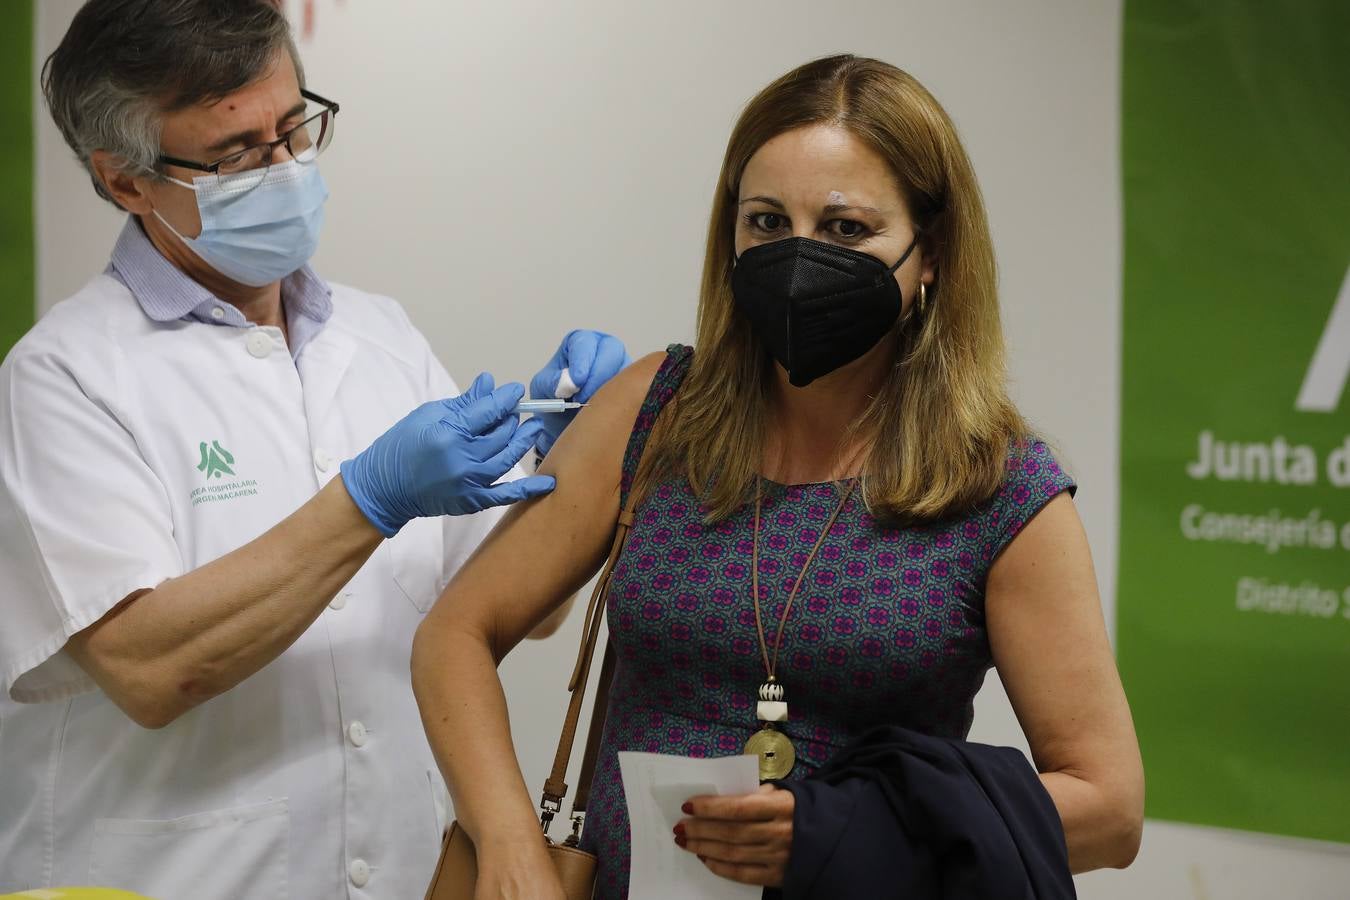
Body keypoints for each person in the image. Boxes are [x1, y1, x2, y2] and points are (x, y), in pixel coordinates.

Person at [411, 55, 1145, 899]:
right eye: (766, 222)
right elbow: (455, 636)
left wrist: (850, 831)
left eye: (845, 230)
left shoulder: (996, 487)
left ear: (930, 251)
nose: (796, 259)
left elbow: (1110, 808)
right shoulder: (657, 412)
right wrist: (506, 845)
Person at [0, 1, 628, 896]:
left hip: (403, 869)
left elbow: (520, 611)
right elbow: (151, 668)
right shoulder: (64, 378)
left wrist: (566, 464)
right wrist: (368, 498)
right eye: (239, 155)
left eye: (295, 128)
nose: (287, 168)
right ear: (127, 180)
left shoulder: (379, 337)